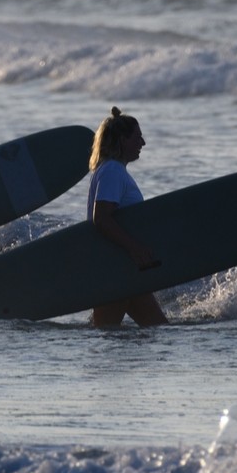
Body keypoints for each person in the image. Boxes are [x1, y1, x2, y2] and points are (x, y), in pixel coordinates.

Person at [86, 106, 168, 327]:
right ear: (122, 140)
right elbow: (101, 218)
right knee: (104, 332)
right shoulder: (112, 170)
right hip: (117, 269)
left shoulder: (111, 170)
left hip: (125, 268)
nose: (143, 143)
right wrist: (134, 247)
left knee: (157, 329)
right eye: (137, 137)